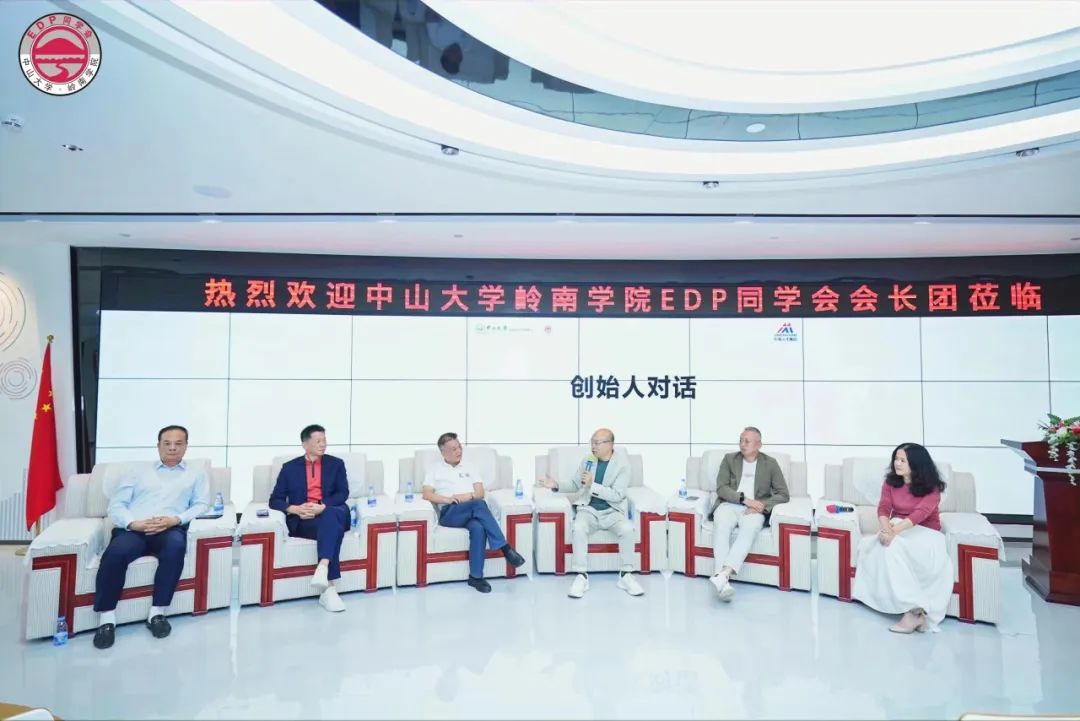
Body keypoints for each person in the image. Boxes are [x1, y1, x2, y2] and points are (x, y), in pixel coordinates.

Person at [92, 425, 210, 650]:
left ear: (186, 446)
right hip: (136, 528)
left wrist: (176, 519)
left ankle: (157, 613)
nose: (172, 448)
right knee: (115, 553)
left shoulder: (196, 473)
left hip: (170, 528)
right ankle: (106, 619)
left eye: (178, 444)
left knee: (176, 547)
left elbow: (201, 504)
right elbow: (116, 505)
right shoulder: (137, 471)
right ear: (158, 446)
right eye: (167, 443)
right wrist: (133, 523)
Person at [852, 442, 953, 633]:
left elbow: (919, 514)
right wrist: (885, 529)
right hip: (897, 528)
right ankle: (900, 604)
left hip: (926, 534)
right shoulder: (891, 482)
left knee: (892, 546)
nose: (897, 464)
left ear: (916, 464)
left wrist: (893, 532)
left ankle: (915, 611)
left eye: (902, 460)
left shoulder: (932, 488)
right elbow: (883, 508)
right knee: (876, 546)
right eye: (896, 459)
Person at [537, 428, 644, 598]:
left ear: (610, 444)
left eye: (597, 443)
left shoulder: (622, 465)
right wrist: (555, 484)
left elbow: (617, 495)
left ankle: (626, 575)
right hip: (588, 509)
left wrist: (592, 485)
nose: (593, 446)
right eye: (592, 442)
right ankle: (581, 576)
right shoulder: (588, 460)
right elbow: (575, 484)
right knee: (578, 527)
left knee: (627, 530)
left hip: (612, 511)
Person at [422, 432, 526, 593]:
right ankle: (505, 548)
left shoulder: (470, 467)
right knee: (479, 505)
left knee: (478, 527)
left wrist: (467, 496)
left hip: (471, 508)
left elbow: (480, 493)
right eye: (454, 449)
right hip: (450, 513)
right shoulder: (435, 469)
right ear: (443, 452)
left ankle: (475, 577)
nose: (459, 451)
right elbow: (427, 494)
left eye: (459, 447)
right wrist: (447, 499)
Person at [269, 424, 351, 613]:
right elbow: (275, 500)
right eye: (318, 441)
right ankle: (329, 589)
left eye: (324, 440)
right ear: (305, 444)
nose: (323, 444)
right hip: (305, 520)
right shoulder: (289, 468)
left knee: (331, 514)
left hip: (330, 511)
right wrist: (295, 509)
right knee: (332, 528)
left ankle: (323, 568)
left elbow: (343, 493)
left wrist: (323, 506)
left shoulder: (336, 464)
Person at [705, 427, 790, 603]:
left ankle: (722, 576)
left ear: (759, 444)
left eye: (747, 441)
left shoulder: (770, 463)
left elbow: (783, 494)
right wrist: (745, 500)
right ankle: (724, 579)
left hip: (755, 509)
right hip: (729, 504)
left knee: (749, 530)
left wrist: (762, 506)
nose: (742, 444)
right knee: (721, 527)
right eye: (741, 440)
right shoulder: (729, 459)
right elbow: (721, 488)